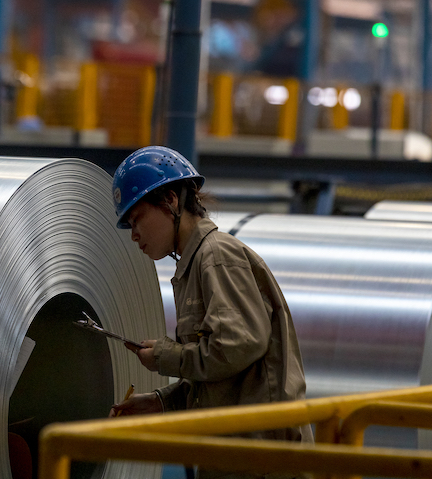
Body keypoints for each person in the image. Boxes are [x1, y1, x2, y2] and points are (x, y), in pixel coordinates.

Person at [108, 145, 313, 475]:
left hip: (263, 460)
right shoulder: (192, 267)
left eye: (138, 218)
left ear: (171, 200)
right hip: (234, 454)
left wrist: (166, 357)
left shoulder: (216, 258)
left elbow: (235, 348)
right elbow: (223, 377)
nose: (134, 235)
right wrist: (161, 401)